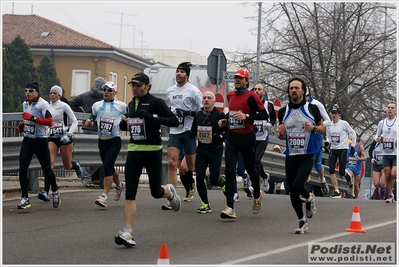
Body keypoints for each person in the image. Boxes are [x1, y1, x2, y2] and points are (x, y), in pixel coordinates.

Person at [115, 73, 180, 247]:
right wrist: (124, 125)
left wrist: (154, 119)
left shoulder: (156, 102)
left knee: (155, 192)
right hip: (134, 151)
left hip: (152, 151)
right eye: (132, 85)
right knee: (131, 191)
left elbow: (174, 121)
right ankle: (128, 231)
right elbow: (133, 124)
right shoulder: (131, 104)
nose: (135, 88)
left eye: (138, 85)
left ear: (147, 86)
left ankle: (170, 193)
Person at [218, 68, 268, 219]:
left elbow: (263, 114)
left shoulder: (252, 96)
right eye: (235, 78)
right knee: (229, 170)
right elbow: (233, 112)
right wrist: (225, 121)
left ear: (247, 81)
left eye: (240, 78)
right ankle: (230, 207)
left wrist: (246, 116)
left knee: (250, 169)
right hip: (232, 137)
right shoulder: (230, 95)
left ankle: (257, 194)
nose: (237, 80)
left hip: (247, 137)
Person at [277, 77, 323, 234]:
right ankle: (302, 220)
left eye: (297, 88)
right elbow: (281, 136)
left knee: (298, 186)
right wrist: (281, 134)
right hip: (291, 155)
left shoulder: (312, 109)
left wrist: (314, 128)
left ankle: (309, 198)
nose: (293, 91)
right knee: (292, 189)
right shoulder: (283, 112)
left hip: (307, 155)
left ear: (303, 91)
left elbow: (323, 128)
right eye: (291, 88)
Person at [163, 62, 203, 210]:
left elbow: (202, 112)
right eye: (177, 71)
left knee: (190, 167)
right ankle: (171, 197)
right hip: (175, 131)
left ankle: (209, 176)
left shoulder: (193, 91)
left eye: (181, 72)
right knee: (172, 163)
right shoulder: (170, 91)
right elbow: (170, 110)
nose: (178, 74)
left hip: (189, 131)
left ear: (187, 75)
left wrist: (187, 114)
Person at [15, 80, 61, 209]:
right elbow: (26, 119)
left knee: (47, 169)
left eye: (30, 91)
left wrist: (32, 118)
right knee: (22, 169)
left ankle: (55, 191)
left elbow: (49, 122)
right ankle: (25, 198)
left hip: (40, 140)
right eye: (26, 91)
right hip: (28, 140)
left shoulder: (43, 104)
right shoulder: (25, 104)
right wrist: (22, 126)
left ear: (37, 92)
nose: (27, 93)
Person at [84, 81, 127, 208]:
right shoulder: (96, 105)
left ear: (115, 92)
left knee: (108, 165)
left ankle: (104, 196)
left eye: (109, 90)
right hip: (102, 140)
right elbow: (91, 119)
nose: (106, 92)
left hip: (114, 140)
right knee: (109, 166)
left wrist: (127, 124)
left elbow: (130, 118)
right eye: (105, 90)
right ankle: (119, 186)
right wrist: (89, 123)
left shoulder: (122, 105)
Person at [37, 85, 83, 202]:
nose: (52, 95)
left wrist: (69, 134)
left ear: (59, 95)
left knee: (67, 166)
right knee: (49, 165)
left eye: (54, 93)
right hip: (52, 138)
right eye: (51, 93)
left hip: (64, 138)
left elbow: (75, 121)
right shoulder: (47, 107)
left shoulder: (64, 106)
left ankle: (75, 165)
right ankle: (46, 192)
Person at [189, 91, 227, 213]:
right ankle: (205, 204)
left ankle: (223, 182)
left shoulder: (220, 115)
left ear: (214, 101)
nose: (206, 100)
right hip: (201, 150)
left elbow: (227, 132)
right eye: (204, 98)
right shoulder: (198, 115)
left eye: (209, 98)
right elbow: (193, 130)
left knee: (213, 181)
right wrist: (190, 134)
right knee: (199, 177)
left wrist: (220, 137)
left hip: (215, 151)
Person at [69, 76, 106, 187]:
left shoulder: (86, 95)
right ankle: (87, 177)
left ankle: (87, 177)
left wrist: (83, 114)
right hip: (100, 130)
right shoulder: (105, 97)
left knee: (88, 155)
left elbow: (72, 103)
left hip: (86, 128)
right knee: (102, 156)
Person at [305, 88, 333, 195]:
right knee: (304, 159)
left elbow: (328, 121)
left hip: (316, 134)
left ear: (309, 95)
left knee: (316, 163)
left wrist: (315, 126)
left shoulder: (316, 104)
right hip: (304, 135)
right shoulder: (299, 105)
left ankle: (322, 181)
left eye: (306, 96)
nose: (304, 99)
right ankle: (304, 180)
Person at [326, 105, 357, 198]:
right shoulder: (329, 125)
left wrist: (352, 145)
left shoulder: (344, 124)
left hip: (343, 149)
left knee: (342, 172)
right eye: (332, 113)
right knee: (331, 169)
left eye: (336, 113)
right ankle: (336, 191)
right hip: (333, 149)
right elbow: (328, 136)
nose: (334, 115)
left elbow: (352, 133)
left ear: (339, 114)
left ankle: (350, 184)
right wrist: (327, 142)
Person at [253, 83, 276, 193]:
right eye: (255, 89)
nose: (257, 91)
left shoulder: (268, 105)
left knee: (256, 159)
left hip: (263, 138)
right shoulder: (250, 104)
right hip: (252, 138)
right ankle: (264, 176)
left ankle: (255, 184)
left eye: (259, 89)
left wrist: (270, 124)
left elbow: (273, 119)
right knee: (253, 161)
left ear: (264, 92)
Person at [375, 102, 397, 203]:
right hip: (386, 152)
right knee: (387, 175)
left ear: (396, 110)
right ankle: (391, 194)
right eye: (388, 107)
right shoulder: (382, 123)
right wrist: (379, 139)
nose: (390, 109)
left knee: (394, 173)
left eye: (392, 108)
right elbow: (377, 136)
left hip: (396, 152)